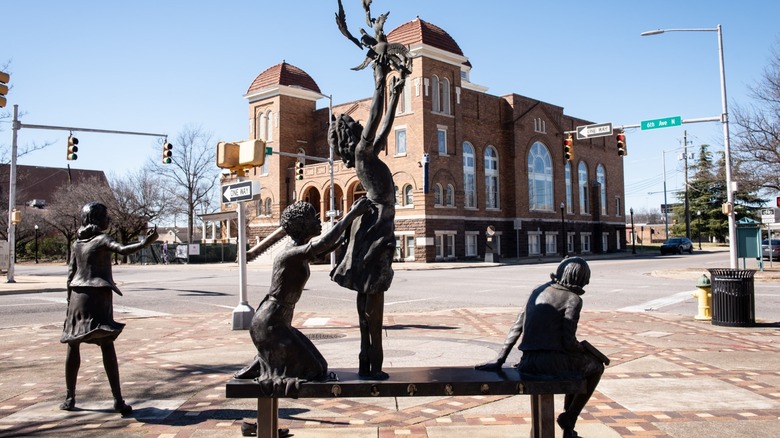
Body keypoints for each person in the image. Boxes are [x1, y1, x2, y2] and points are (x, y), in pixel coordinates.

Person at [235, 197, 373, 388]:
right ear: (301, 225)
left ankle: (266, 362)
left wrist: (352, 229)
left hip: (280, 321)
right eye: (313, 218)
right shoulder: (289, 254)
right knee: (313, 371)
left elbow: (330, 244)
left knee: (320, 367)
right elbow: (324, 243)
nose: (319, 220)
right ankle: (266, 365)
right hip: (269, 324)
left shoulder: (297, 250)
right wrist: (351, 215)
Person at [328, 58, 407, 380]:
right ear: (352, 135)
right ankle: (370, 366)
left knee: (372, 304)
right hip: (374, 228)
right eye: (358, 128)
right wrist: (380, 83)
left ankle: (370, 364)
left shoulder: (368, 155)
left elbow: (384, 125)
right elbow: (376, 117)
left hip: (376, 225)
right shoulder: (363, 154)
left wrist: (396, 91)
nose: (364, 129)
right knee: (372, 305)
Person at [476, 257, 606, 438]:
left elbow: (517, 326)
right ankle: (570, 418)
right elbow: (568, 342)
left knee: (576, 366)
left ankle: (568, 427)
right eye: (585, 278)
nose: (587, 282)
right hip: (549, 364)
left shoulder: (538, 290)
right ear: (578, 277)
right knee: (596, 367)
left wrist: (500, 360)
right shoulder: (573, 299)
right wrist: (584, 350)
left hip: (528, 362)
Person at [60, 202, 158, 415]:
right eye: (106, 216)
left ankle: (70, 397)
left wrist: (69, 303)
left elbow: (70, 274)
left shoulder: (77, 242)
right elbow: (122, 249)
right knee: (106, 345)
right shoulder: (102, 239)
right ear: (96, 219)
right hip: (97, 297)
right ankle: (118, 400)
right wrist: (145, 243)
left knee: (73, 344)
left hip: (77, 296)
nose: (109, 220)